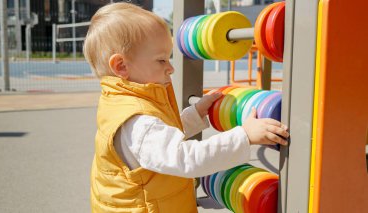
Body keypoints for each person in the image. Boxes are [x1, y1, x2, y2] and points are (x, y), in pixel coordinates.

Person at [83, 2, 289, 213]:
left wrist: (195, 114)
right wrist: (244, 136)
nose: (170, 68)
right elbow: (186, 158)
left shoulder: (124, 103)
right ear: (121, 66)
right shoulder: (137, 122)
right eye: (161, 60)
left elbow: (160, 138)